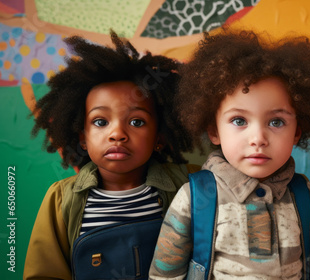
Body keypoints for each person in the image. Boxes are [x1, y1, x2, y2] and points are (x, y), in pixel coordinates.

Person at [149, 30, 310, 279]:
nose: (258, 138)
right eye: (239, 120)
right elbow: (165, 273)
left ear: (297, 133)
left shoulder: (305, 195)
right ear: (214, 131)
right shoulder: (196, 197)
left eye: (277, 122)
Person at [24, 31, 198, 279]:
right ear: (82, 138)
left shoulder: (190, 183)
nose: (117, 133)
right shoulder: (61, 200)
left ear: (159, 137)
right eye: (100, 121)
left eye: (137, 122)